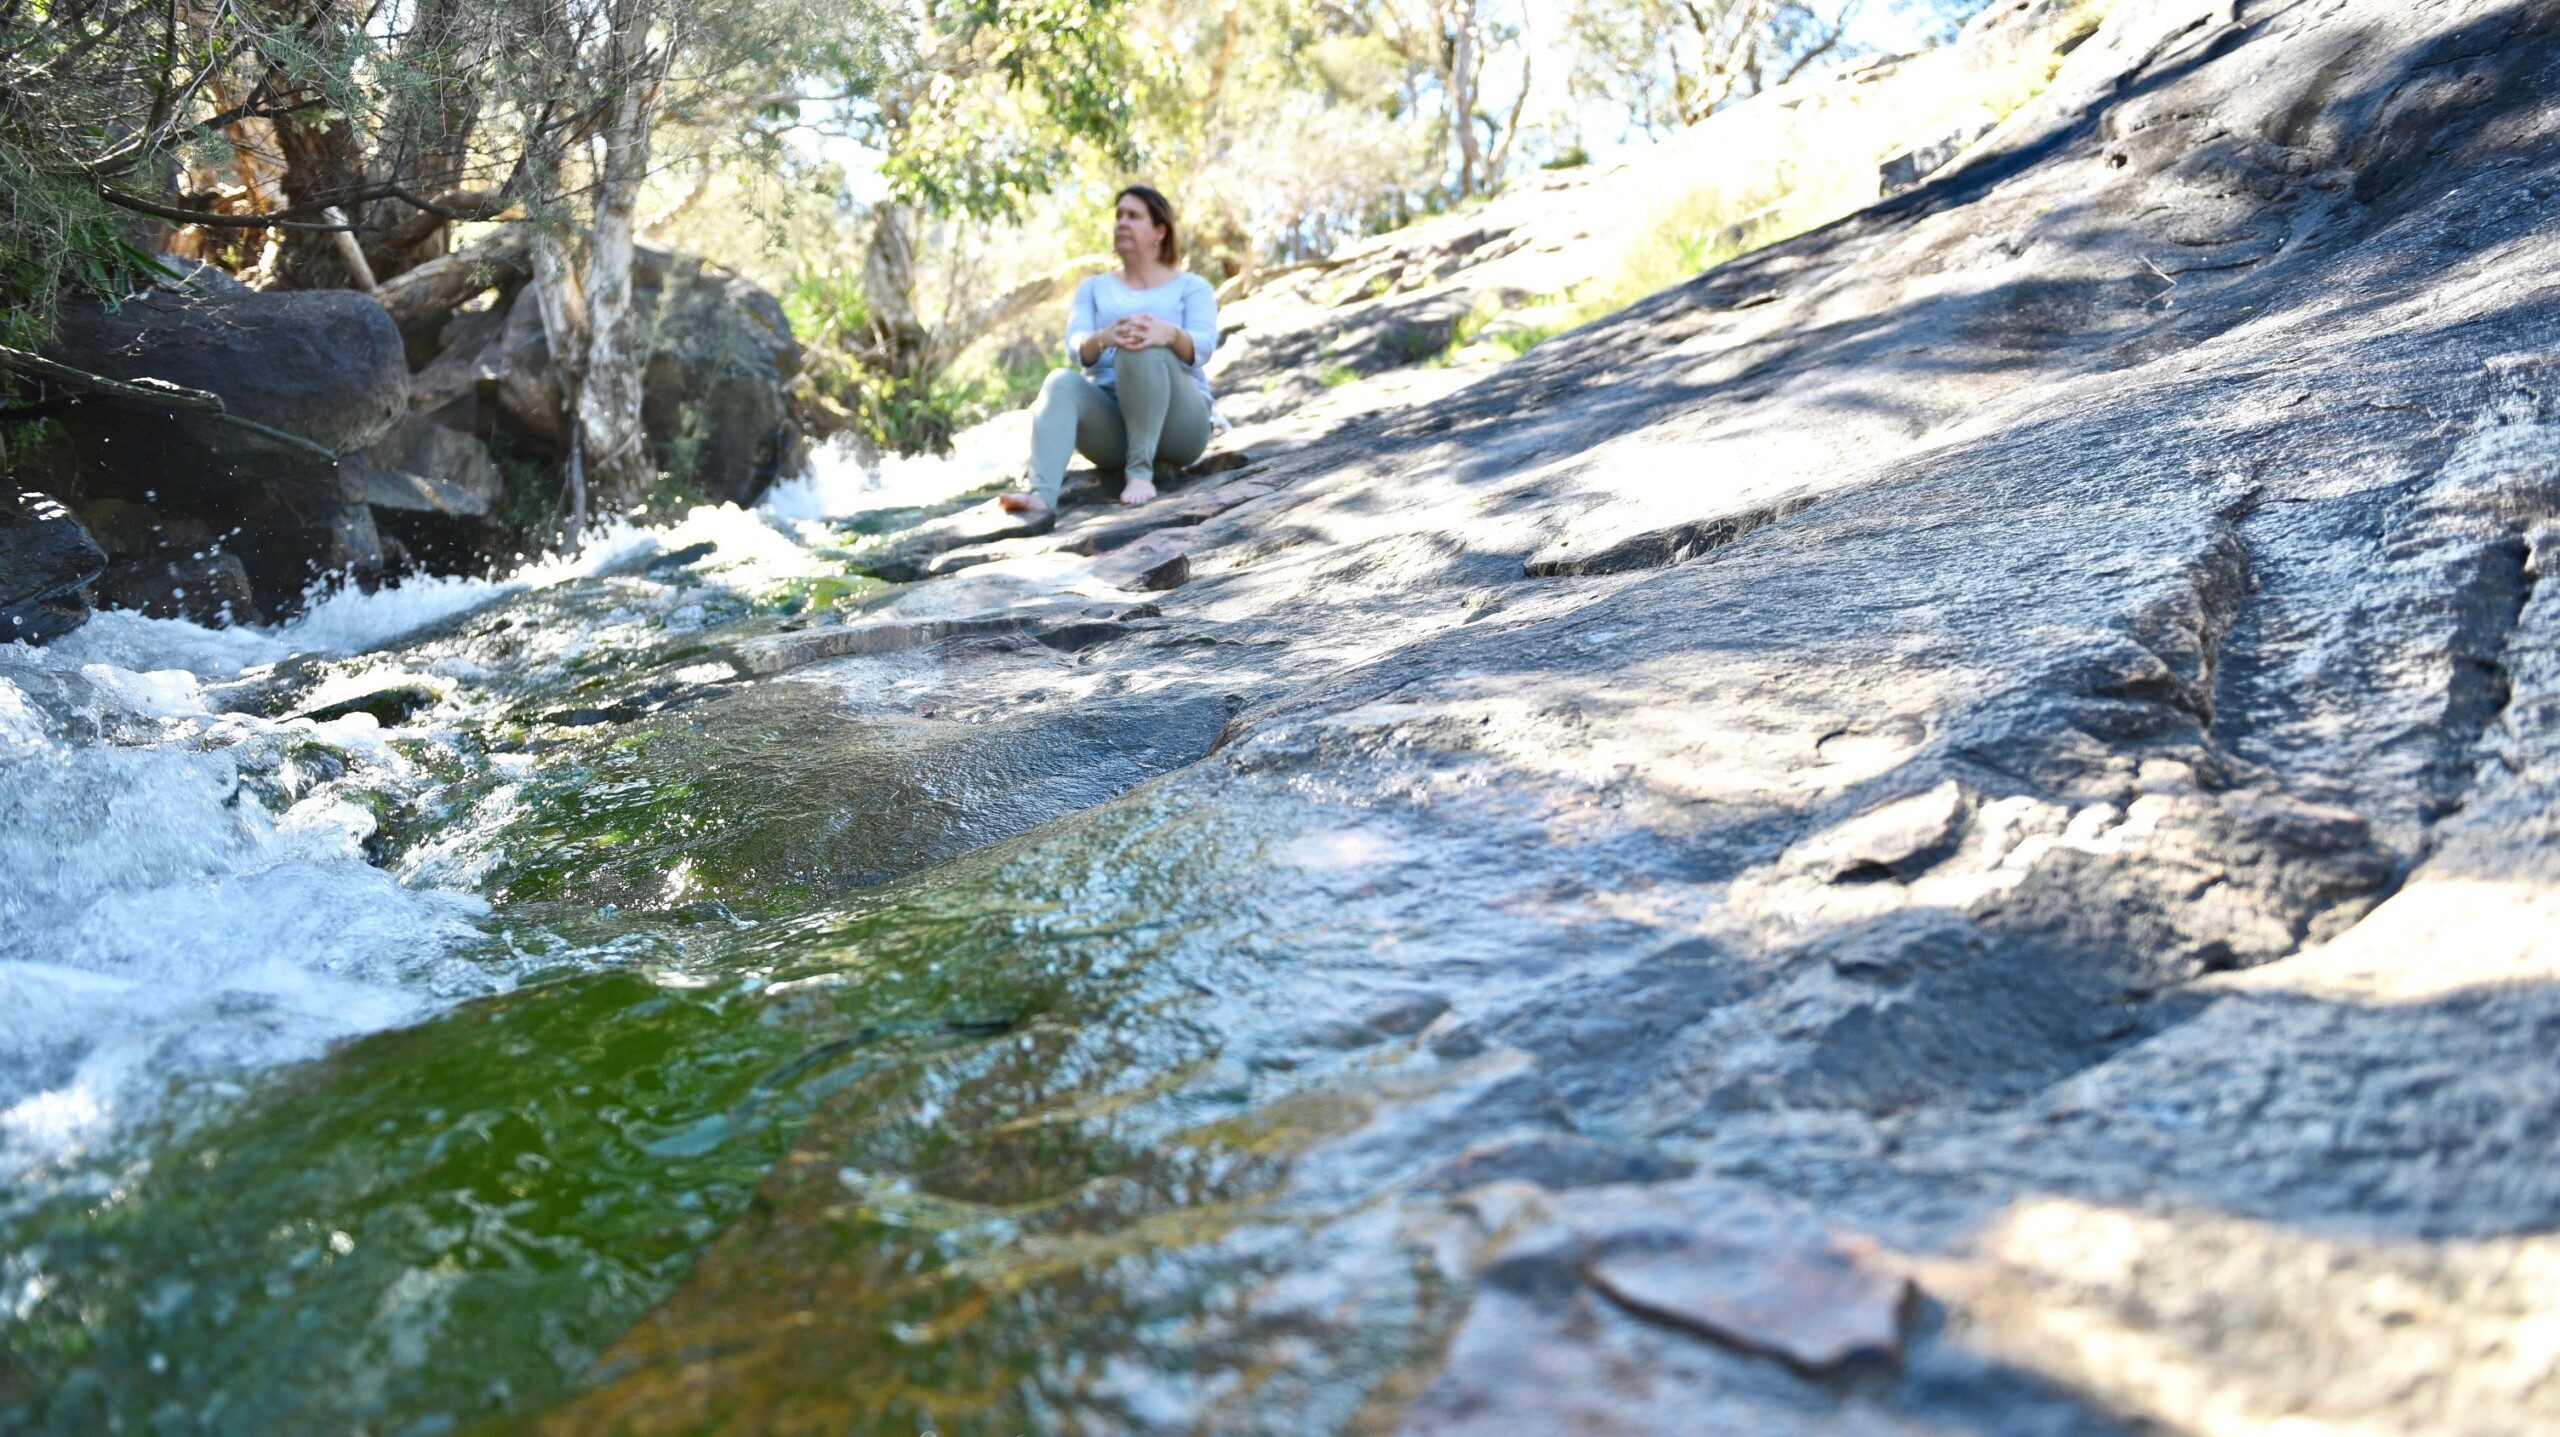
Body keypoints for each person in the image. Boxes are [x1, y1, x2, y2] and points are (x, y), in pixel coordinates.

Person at [1000, 185, 1219, 518]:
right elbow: (1077, 349)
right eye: (1118, 216)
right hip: (1114, 433)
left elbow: (1203, 347)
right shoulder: (1093, 288)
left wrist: (1169, 334)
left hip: (1180, 428)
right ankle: (1042, 497)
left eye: (1133, 216)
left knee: (1141, 343)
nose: (1121, 223)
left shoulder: (1192, 286)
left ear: (1160, 231)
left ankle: (1140, 475)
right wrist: (1104, 337)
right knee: (1060, 381)